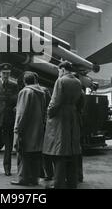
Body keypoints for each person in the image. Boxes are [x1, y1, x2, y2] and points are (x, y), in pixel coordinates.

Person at [42, 61, 83, 189]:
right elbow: (82, 101)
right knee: (71, 151)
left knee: (58, 152)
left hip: (60, 119)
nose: (58, 73)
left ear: (63, 70)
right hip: (72, 117)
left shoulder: (61, 81)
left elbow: (55, 101)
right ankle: (72, 183)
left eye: (59, 71)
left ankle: (58, 184)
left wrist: (49, 113)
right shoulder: (78, 82)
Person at [11, 72, 46, 186]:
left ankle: (23, 179)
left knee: (23, 153)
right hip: (38, 128)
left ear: (25, 81)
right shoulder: (42, 92)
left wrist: (17, 129)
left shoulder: (25, 92)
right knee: (35, 154)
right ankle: (34, 179)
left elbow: (22, 113)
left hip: (27, 129)